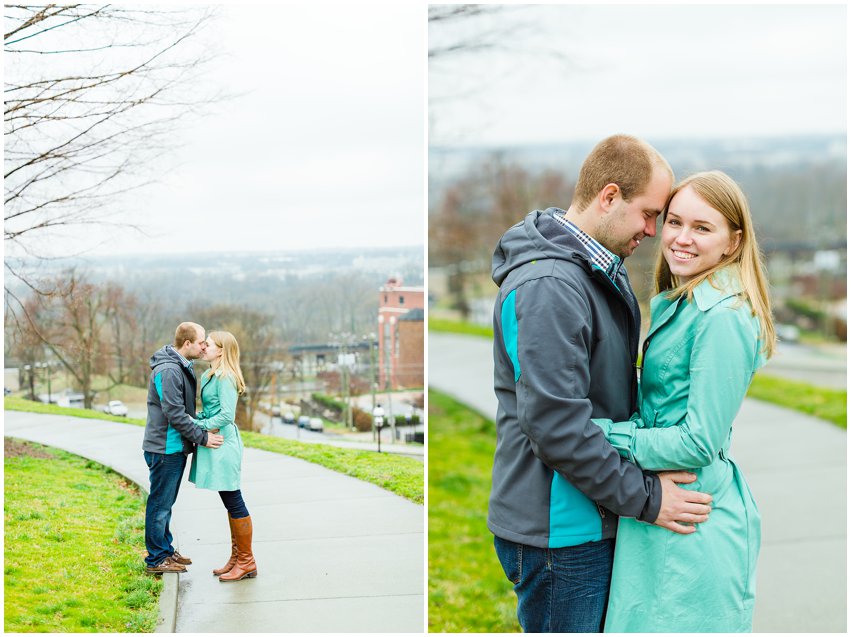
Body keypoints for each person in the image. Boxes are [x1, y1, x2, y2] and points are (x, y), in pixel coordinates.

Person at [489, 134, 713, 632]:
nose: (655, 231)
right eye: (649, 214)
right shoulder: (549, 286)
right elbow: (556, 426)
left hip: (587, 519)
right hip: (561, 534)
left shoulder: (589, 270)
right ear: (608, 197)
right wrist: (649, 499)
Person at [592, 170, 774, 631]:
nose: (681, 238)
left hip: (693, 519)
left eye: (702, 227)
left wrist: (603, 434)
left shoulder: (724, 318)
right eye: (674, 222)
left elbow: (697, 443)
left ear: (733, 242)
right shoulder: (684, 301)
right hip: (662, 507)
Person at [143, 322, 224, 574]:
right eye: (201, 342)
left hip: (173, 446)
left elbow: (184, 412)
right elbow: (175, 415)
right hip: (165, 448)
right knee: (160, 503)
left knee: (166, 503)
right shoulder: (169, 370)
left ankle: (165, 550)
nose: (204, 347)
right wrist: (202, 437)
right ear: (187, 343)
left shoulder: (178, 365)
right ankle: (156, 559)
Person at [189, 330, 257, 581]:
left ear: (221, 350)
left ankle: (247, 561)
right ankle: (237, 557)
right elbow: (211, 412)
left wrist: (200, 427)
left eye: (209, 345)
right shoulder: (210, 374)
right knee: (229, 500)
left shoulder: (226, 378)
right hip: (216, 442)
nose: (203, 347)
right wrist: (197, 421)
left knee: (233, 499)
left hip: (224, 443)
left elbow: (227, 416)